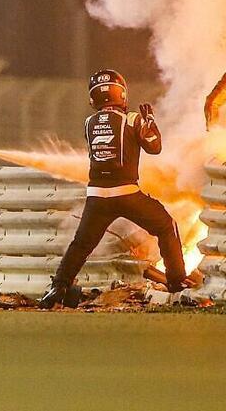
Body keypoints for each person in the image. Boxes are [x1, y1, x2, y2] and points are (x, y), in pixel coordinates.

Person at [38, 69, 186, 308]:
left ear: (93, 98)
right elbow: (154, 147)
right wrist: (150, 122)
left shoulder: (89, 123)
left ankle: (58, 287)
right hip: (126, 193)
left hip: (96, 196)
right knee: (166, 226)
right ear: (122, 94)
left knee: (81, 245)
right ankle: (178, 284)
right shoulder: (132, 119)